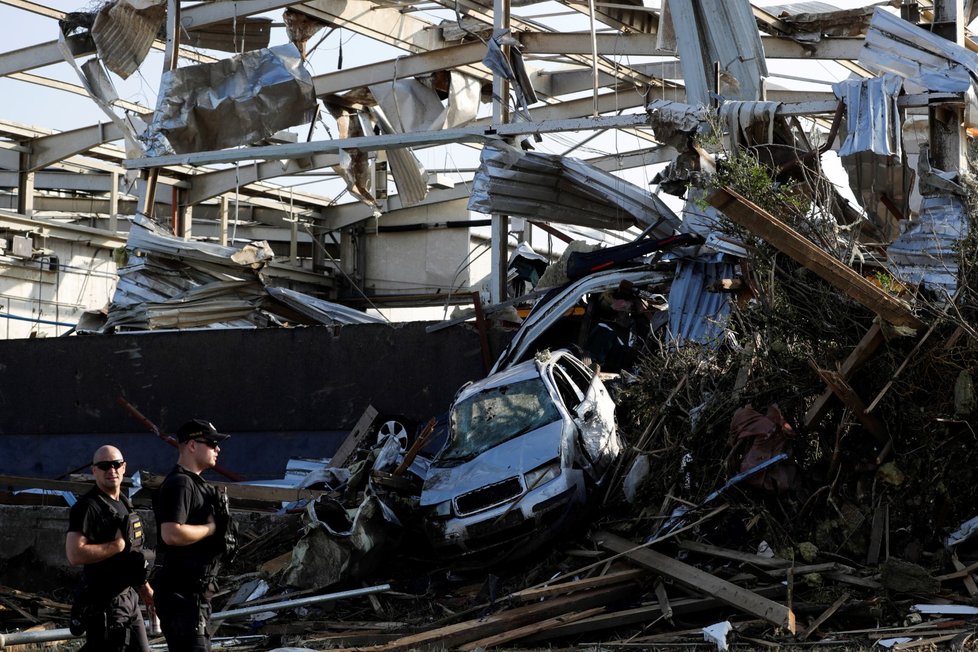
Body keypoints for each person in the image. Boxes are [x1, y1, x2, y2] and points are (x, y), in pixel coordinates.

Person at [150, 418, 234, 652]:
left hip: (195, 594)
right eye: (211, 443)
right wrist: (210, 529)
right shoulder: (180, 484)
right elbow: (171, 533)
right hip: (182, 595)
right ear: (192, 445)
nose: (217, 449)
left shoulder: (198, 485)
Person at [65, 445, 154, 652]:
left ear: (124, 467)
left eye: (116, 465)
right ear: (94, 470)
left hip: (128, 597)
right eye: (104, 466)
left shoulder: (123, 501)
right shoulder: (87, 507)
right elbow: (74, 554)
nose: (111, 470)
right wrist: (116, 545)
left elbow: (132, 556)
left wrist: (145, 589)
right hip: (105, 603)